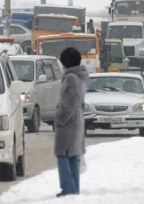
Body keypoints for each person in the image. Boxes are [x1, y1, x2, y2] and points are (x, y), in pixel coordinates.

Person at [54, 47, 87, 197]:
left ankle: (68, 188)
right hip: (76, 120)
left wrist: (59, 118)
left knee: (63, 154)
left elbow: (69, 103)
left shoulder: (71, 78)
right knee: (73, 155)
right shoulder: (79, 77)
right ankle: (73, 188)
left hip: (69, 123)